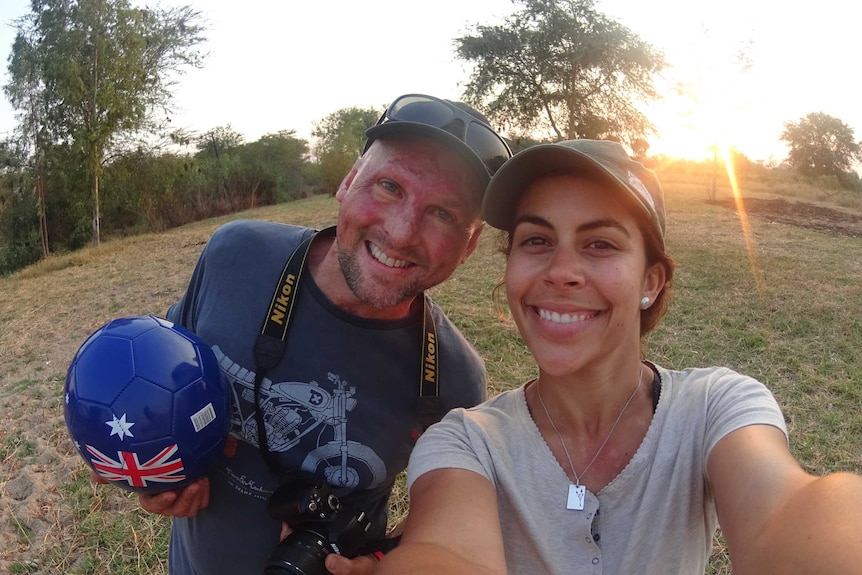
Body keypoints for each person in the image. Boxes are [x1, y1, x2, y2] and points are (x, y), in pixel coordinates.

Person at [377, 139, 862, 575]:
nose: (561, 271)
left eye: (601, 244)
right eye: (537, 240)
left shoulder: (716, 407)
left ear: (651, 281)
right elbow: (444, 552)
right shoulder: (466, 442)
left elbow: (788, 511)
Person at [135, 93, 513, 575]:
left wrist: (379, 560)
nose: (400, 232)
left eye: (443, 214)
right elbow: (163, 380)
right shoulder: (235, 256)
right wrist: (154, 476)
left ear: (470, 245)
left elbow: (443, 533)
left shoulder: (455, 381)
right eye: (389, 186)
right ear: (349, 180)